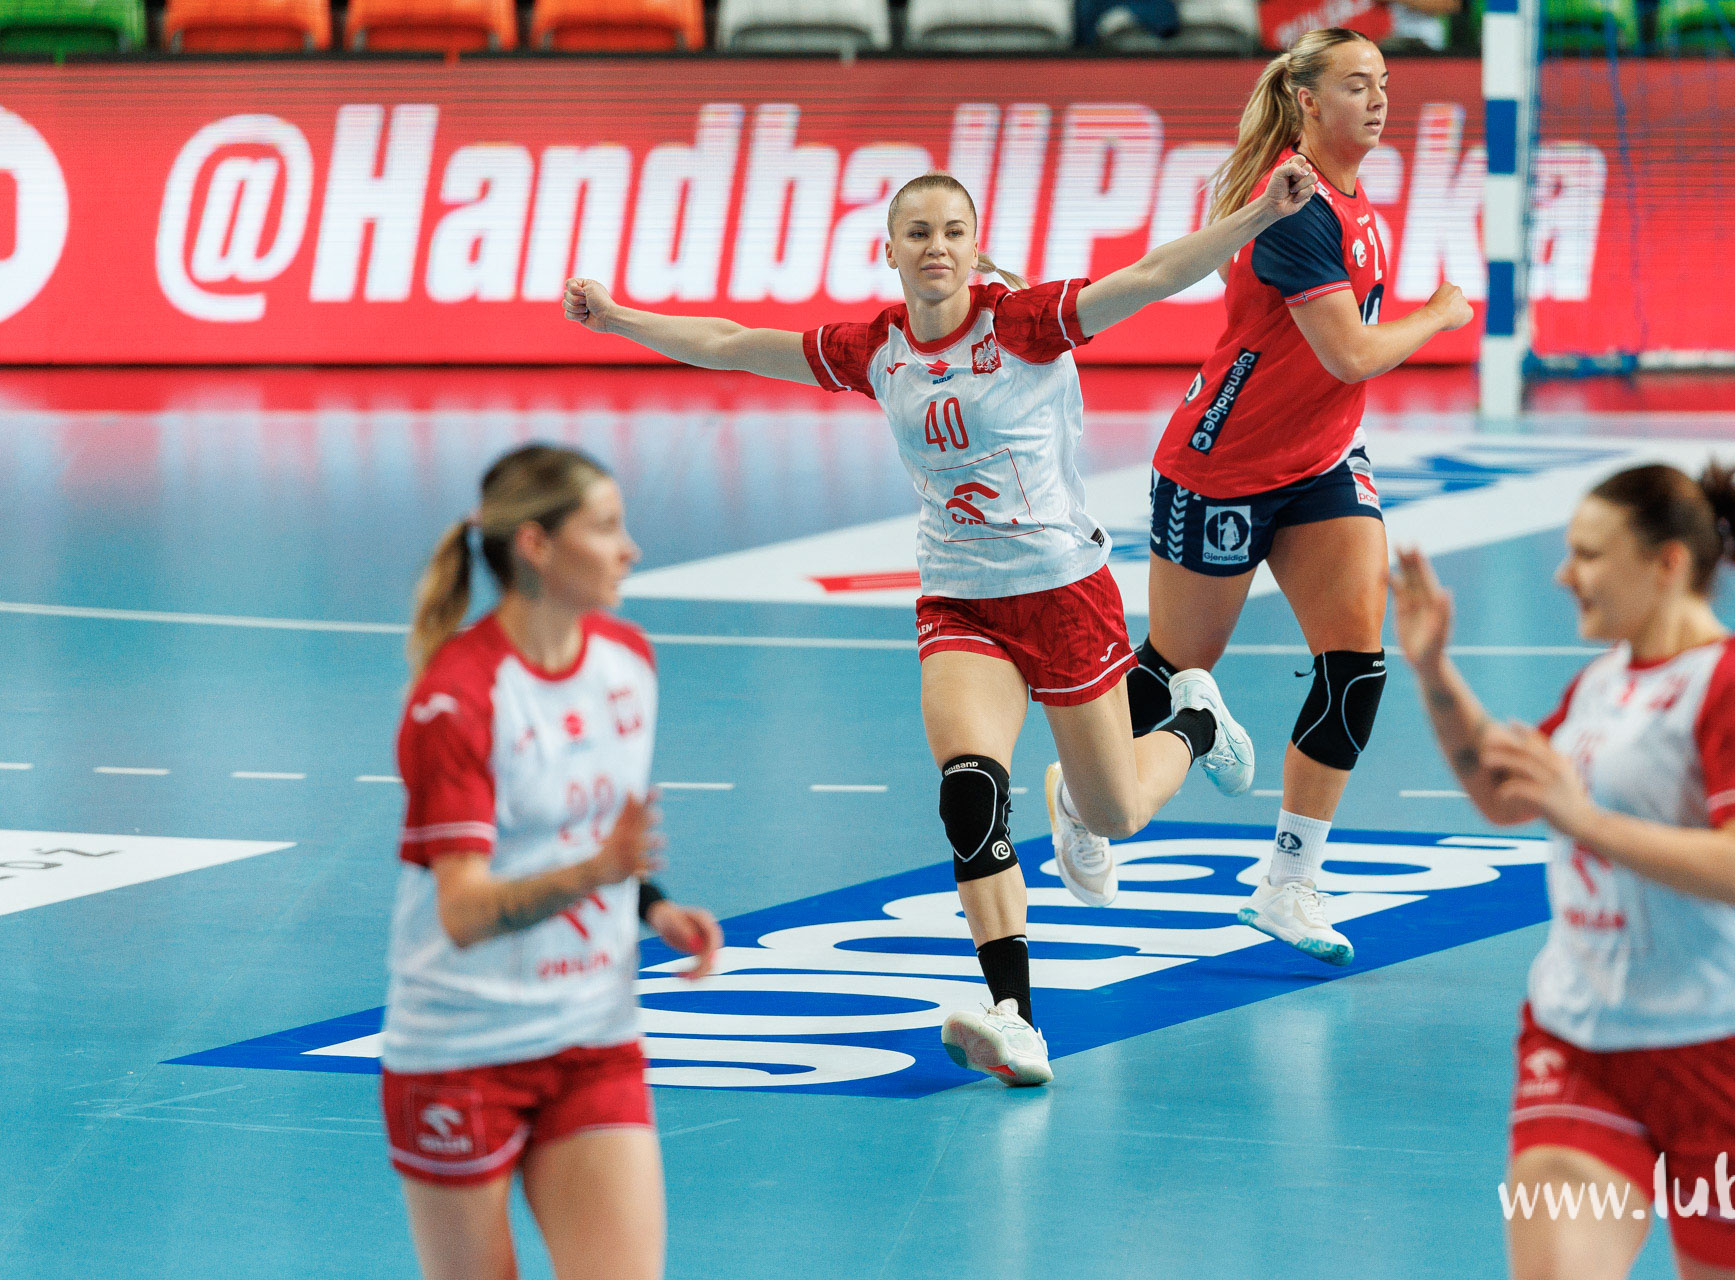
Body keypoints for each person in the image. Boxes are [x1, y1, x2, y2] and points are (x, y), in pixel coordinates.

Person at [562, 156, 1321, 1085]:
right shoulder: (875, 349)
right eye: (918, 233)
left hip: (1064, 593)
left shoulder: (1028, 323)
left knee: (1116, 813)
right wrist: (619, 318)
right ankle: (1016, 1017)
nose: (937, 248)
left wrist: (1258, 214)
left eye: (953, 232)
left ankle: (1195, 719)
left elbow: (1157, 273)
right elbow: (730, 341)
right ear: (890, 250)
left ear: (973, 247)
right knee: (970, 792)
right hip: (961, 601)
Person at [1393, 463, 1735, 1280]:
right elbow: (1505, 793)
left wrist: (1585, 818)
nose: (1565, 575)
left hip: (1731, 1057)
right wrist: (1434, 671)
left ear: (1667, 564)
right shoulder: (1602, 684)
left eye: (1589, 555)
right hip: (1582, 1044)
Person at [1126, 27, 1473, 967]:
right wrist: (1438, 316)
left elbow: (1325, 363)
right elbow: (1350, 354)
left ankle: (1288, 882)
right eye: (1357, 84)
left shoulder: (1352, 198)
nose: (1379, 97)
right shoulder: (1295, 205)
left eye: (1384, 81)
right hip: (1222, 466)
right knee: (1172, 667)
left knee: (1356, 665)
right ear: (1308, 101)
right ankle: (1090, 790)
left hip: (1320, 461)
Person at [382, 444, 724, 1280]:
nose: (629, 549)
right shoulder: (458, 699)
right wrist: (596, 875)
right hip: (462, 1051)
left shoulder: (627, 663)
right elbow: (463, 913)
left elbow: (590, 834)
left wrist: (651, 904)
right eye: (605, 527)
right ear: (536, 544)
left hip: (592, 1033)